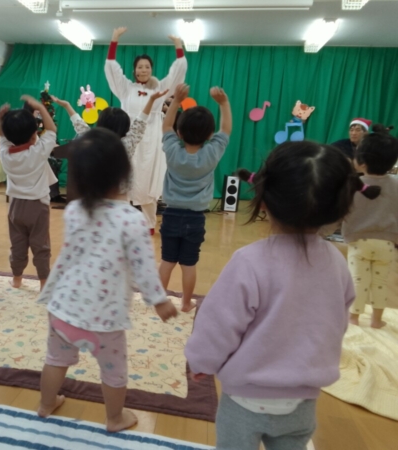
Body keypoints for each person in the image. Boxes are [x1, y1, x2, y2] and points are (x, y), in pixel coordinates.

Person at [184, 141, 380, 450]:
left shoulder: (249, 261)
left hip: (245, 398)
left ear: (262, 201)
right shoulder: (337, 262)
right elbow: (336, 325)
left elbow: (218, 325)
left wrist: (200, 362)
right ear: (341, 208)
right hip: (303, 399)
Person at [36, 128, 178, 432]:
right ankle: (114, 418)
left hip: (62, 308)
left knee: (55, 359)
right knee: (114, 372)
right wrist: (159, 300)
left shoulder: (73, 210)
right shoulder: (131, 219)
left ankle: (46, 404)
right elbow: (143, 267)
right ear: (124, 173)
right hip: (105, 319)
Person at [105, 27, 187, 234]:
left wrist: (178, 46)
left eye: (147, 67)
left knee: (148, 180)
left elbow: (177, 74)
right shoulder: (126, 88)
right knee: (124, 178)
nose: (143, 70)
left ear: (151, 69)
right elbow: (112, 69)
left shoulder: (159, 88)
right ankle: (122, 221)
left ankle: (149, 223)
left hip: (151, 139)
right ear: (134, 70)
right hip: (129, 137)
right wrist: (114, 39)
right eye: (140, 67)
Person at [158, 84, 232, 313]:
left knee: (167, 261)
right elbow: (226, 130)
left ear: (179, 132)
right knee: (189, 264)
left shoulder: (173, 150)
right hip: (195, 219)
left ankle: (158, 301)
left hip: (171, 215)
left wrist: (176, 101)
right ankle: (186, 302)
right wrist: (224, 103)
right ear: (210, 135)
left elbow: (166, 125)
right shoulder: (212, 152)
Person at [0, 95, 58, 290]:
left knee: (17, 244)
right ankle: (44, 282)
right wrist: (40, 106)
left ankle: (17, 279)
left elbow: (2, 138)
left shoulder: (5, 155)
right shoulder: (38, 152)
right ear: (34, 135)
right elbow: (52, 130)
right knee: (41, 245)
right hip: (38, 207)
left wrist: (0, 120)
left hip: (15, 207)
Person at [342, 129, 398, 328]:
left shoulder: (353, 185)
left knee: (358, 280)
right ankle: (376, 320)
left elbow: (340, 212)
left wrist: (321, 231)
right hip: (388, 244)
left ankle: (353, 318)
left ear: (362, 162)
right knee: (380, 282)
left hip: (359, 243)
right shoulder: (396, 184)